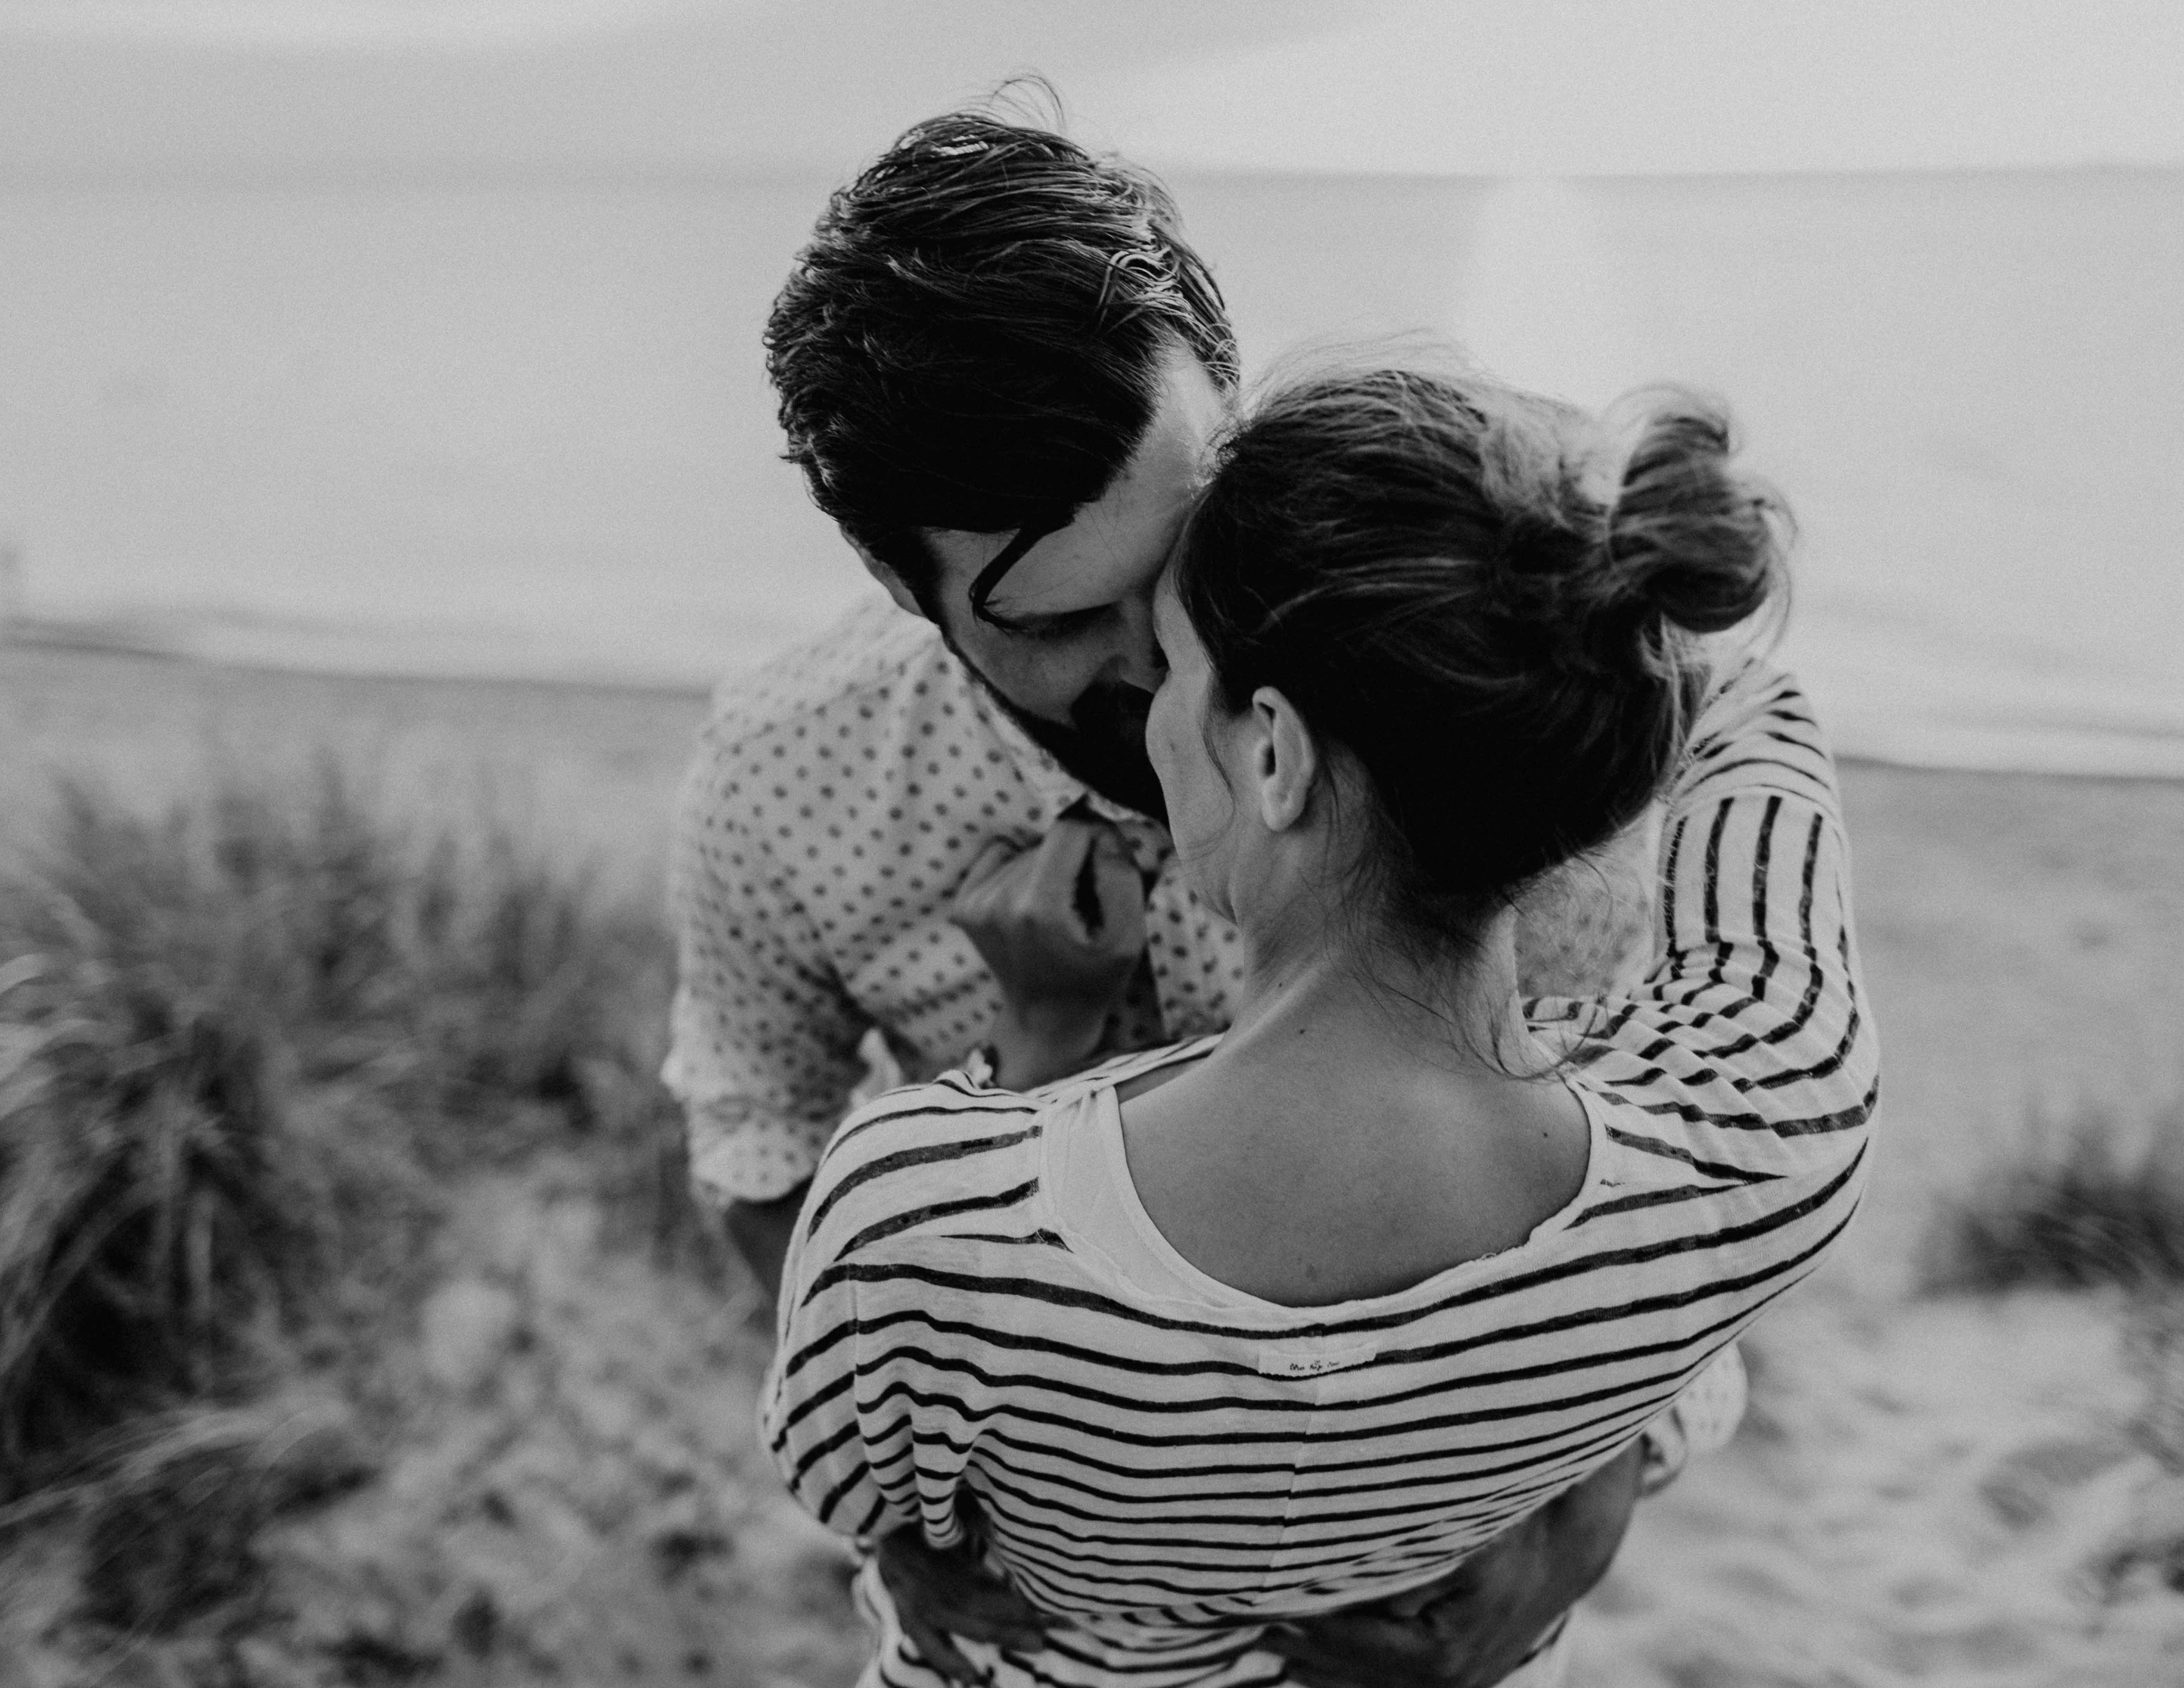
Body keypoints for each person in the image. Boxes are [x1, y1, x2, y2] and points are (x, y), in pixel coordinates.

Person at [671, 109, 1691, 1685]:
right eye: (1080, 616)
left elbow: (1646, 1142)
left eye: (1189, 542)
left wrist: (1587, 1514)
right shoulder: (785, 776)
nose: (1172, 651)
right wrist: (892, 1506)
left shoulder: (1451, 694)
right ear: (898, 582)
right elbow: (756, 1143)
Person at [762, 364, 1876, 1686]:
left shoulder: (923, 1221)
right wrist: (1555, 584)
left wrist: (1038, 1055)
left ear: (1275, 754)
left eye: (1174, 667)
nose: (1146, 713)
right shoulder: (1764, 1140)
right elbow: (1745, 694)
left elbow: (848, 1495)